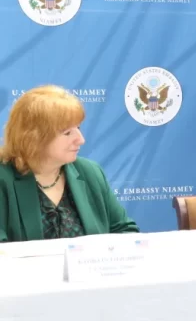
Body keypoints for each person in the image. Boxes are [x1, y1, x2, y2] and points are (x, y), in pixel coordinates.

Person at [0, 86, 138, 242]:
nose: (81, 139)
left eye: (78, 128)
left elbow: (125, 231)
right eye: (67, 133)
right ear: (34, 137)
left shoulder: (89, 171)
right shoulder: (3, 177)